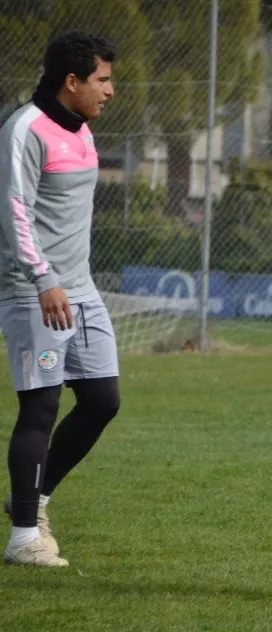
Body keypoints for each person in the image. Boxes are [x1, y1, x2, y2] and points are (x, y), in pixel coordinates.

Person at [0, 31, 120, 567]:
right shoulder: (24, 129)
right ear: (71, 82)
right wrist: (44, 278)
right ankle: (24, 536)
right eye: (103, 80)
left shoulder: (84, 129)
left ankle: (32, 497)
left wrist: (70, 280)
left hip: (81, 290)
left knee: (101, 399)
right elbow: (14, 210)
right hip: (35, 289)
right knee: (41, 406)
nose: (110, 91)